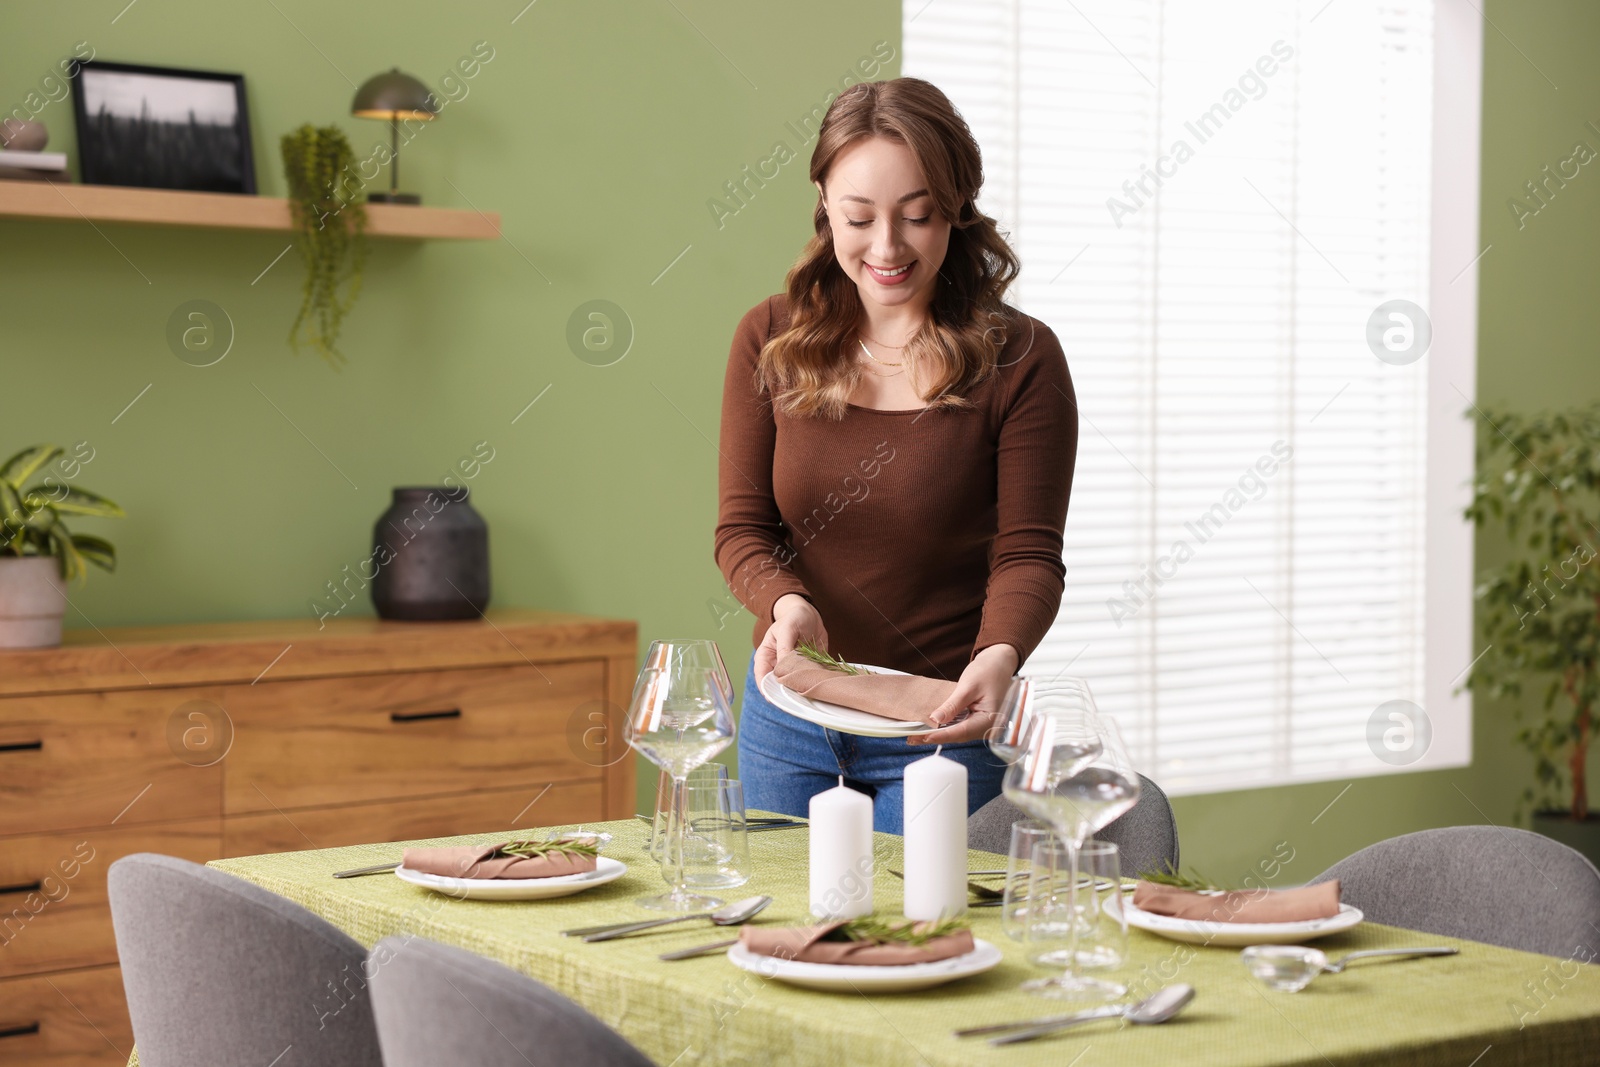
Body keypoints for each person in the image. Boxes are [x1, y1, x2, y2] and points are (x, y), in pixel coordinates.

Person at [714, 77, 1078, 834]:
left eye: (918, 216)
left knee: (921, 939)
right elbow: (742, 528)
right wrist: (790, 604)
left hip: (942, 725)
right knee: (781, 937)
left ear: (956, 208)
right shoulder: (770, 338)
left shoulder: (1023, 358)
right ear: (823, 199)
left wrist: (1000, 655)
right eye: (858, 216)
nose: (886, 247)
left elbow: (1029, 554)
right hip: (789, 717)